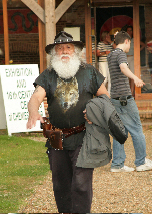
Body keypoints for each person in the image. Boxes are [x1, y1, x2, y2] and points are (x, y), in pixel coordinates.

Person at [26, 31, 109, 213]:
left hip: (84, 137)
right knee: (60, 186)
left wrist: (95, 110)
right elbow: (36, 97)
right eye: (60, 48)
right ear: (54, 53)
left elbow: (105, 96)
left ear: (76, 51)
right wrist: (33, 112)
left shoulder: (89, 72)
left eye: (68, 47)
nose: (64, 51)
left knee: (81, 184)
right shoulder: (48, 75)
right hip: (57, 140)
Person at [107, 31, 152, 172]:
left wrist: (117, 36)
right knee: (137, 129)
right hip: (125, 99)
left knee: (119, 131)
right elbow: (123, 67)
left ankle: (117, 165)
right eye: (130, 43)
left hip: (115, 98)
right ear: (127, 41)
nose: (130, 47)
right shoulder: (121, 54)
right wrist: (135, 78)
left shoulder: (111, 55)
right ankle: (141, 163)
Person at [126, 25, 146, 95]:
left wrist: (137, 51)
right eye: (128, 30)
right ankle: (126, 92)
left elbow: (143, 45)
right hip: (125, 58)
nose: (129, 32)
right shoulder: (124, 39)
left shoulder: (134, 39)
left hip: (132, 58)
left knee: (132, 75)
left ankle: (131, 92)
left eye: (130, 30)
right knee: (125, 75)